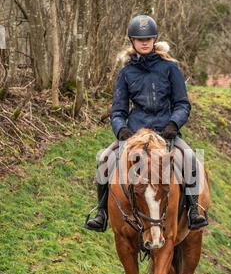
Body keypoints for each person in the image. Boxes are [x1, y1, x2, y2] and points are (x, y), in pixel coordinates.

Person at [85, 14, 208, 232]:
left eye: (149, 39)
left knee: (190, 157)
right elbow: (118, 110)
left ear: (154, 40)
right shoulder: (126, 73)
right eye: (140, 39)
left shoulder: (170, 68)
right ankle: (101, 212)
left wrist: (173, 124)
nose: (144, 42)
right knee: (104, 158)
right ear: (132, 41)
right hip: (135, 134)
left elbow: (182, 104)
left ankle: (193, 211)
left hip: (165, 132)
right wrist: (121, 129)